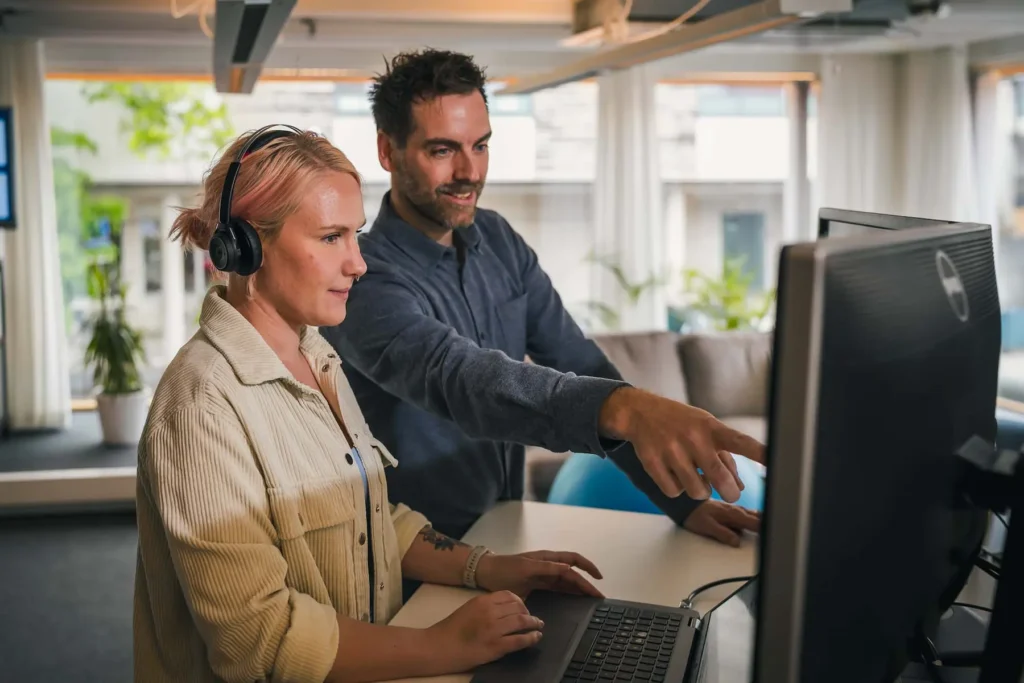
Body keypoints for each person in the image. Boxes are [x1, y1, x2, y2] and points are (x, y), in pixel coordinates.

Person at [133, 125, 605, 683]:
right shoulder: (201, 409)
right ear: (248, 245)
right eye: (331, 237)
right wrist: (440, 646)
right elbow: (257, 640)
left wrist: (488, 567)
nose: (358, 263)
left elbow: (371, 514)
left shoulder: (317, 356)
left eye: (355, 235)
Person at [322, 49, 764, 554]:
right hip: (419, 554)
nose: (470, 171)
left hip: (510, 528)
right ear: (388, 150)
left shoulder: (499, 240)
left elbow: (580, 361)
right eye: (442, 151)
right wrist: (628, 409)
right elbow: (463, 379)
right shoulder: (362, 279)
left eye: (481, 146)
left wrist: (684, 505)